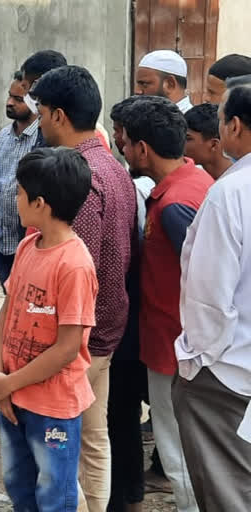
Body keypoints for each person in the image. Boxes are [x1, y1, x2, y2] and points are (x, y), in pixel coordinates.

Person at [31, 65, 137, 512]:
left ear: (58, 115)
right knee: (95, 438)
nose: (37, 123)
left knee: (61, 448)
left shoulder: (79, 176)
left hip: (78, 338)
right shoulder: (115, 167)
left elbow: (77, 266)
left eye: (40, 113)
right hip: (108, 327)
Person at [0, 147, 97, 511]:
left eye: (18, 193)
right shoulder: (27, 247)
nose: (13, 198)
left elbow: (67, 348)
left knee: (54, 491)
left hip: (53, 406)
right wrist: (0, 376)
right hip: (14, 394)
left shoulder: (75, 265)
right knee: (18, 482)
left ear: (40, 204)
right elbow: (9, 308)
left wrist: (10, 383)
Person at [118, 96, 211, 512]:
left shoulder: (175, 206)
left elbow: (208, 281)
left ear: (142, 148)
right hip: (174, 343)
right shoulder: (192, 182)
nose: (123, 149)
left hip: (175, 348)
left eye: (126, 143)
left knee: (178, 453)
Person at [173, 84, 251, 511]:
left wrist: (198, 361)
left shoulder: (230, 193)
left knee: (227, 493)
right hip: (233, 366)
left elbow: (208, 296)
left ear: (234, 126)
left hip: (227, 375)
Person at [107, 96, 153, 512]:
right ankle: (132, 496)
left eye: (122, 134)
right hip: (134, 318)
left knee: (120, 416)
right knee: (123, 418)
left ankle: (126, 498)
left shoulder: (136, 187)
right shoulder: (127, 181)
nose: (118, 142)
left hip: (130, 324)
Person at [0, 70, 39, 289]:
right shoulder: (3, 137)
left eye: (18, 99)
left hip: (27, 239)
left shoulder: (42, 138)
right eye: (9, 97)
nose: (10, 103)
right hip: (2, 242)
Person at [184, 103, 233, 180]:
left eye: (188, 138)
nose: (181, 143)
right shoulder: (195, 180)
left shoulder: (238, 184)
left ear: (213, 145)